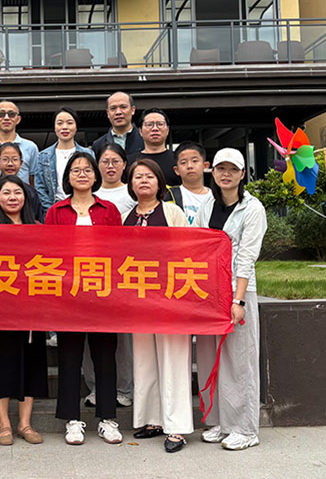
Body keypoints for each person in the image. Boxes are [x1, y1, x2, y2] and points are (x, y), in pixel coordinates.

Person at [45, 152, 123, 446]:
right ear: (68, 177)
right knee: (69, 357)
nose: (82, 174)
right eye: (76, 170)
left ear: (95, 176)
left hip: (103, 294)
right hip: (68, 295)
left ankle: (107, 418)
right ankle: (72, 419)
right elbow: (48, 252)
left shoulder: (109, 210)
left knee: (105, 357)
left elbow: (120, 250)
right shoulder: (56, 211)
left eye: (87, 169)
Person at [195, 148, 267, 451]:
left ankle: (245, 429)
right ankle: (221, 422)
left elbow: (247, 257)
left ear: (242, 174)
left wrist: (238, 301)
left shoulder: (252, 208)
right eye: (221, 168)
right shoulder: (207, 205)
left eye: (233, 169)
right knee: (211, 359)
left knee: (239, 361)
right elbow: (197, 245)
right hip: (210, 291)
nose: (226, 174)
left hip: (237, 292)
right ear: (213, 172)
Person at [122, 158, 192, 453]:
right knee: (144, 359)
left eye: (149, 176)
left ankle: (177, 427)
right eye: (138, 176)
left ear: (159, 182)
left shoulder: (172, 212)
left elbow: (189, 252)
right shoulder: (126, 217)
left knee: (173, 359)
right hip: (138, 298)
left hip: (170, 296)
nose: (143, 181)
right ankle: (152, 419)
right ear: (131, 184)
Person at [0, 175, 48, 446]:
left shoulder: (38, 227)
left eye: (17, 192)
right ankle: (4, 424)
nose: (12, 197)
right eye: (6, 192)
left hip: (32, 307)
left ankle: (25, 423)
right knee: (1, 363)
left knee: (30, 363)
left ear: (26, 196)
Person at [85, 142, 135, 410]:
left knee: (123, 338)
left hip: (122, 273)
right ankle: (95, 387)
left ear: (124, 165)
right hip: (90, 275)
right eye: (105, 161)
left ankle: (124, 388)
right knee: (89, 335)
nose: (110, 166)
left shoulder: (132, 193)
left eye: (116, 161)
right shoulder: (89, 194)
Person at [35, 107, 93, 211]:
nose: (64, 127)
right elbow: (40, 187)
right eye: (60, 123)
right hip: (54, 208)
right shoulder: (43, 156)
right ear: (54, 127)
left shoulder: (88, 153)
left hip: (83, 208)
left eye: (69, 123)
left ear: (76, 127)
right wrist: (51, 210)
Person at [0, 100, 39, 184]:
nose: (6, 118)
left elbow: (34, 180)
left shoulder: (31, 148)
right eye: (1, 114)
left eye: (11, 114)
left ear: (18, 119)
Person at [127, 108, 180, 186]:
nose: (155, 128)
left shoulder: (179, 160)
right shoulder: (129, 162)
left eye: (160, 124)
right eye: (149, 124)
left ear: (167, 130)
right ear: (140, 131)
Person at [0, 142, 44, 222]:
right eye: (5, 159)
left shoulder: (30, 192)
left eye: (15, 159)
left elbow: (37, 218)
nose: (10, 164)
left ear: (21, 163)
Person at [167, 141, 211, 226]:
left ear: (205, 166)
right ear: (177, 170)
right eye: (183, 162)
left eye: (195, 161)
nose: (189, 166)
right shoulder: (170, 196)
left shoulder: (215, 197)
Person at [92, 91, 144, 159]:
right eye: (113, 108)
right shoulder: (98, 145)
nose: (118, 112)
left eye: (123, 107)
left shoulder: (145, 139)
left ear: (133, 110)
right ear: (108, 113)